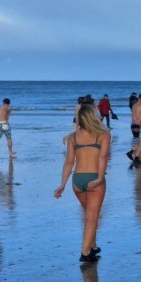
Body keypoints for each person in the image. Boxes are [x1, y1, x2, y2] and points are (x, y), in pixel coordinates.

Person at [54, 103, 111, 261]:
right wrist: (99, 178)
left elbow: (69, 162)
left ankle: (92, 246)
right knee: (92, 217)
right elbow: (102, 157)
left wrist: (62, 185)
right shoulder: (103, 134)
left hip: (77, 180)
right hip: (94, 178)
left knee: (89, 214)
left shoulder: (72, 137)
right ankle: (84, 254)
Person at [127, 93, 141, 167]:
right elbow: (138, 119)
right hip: (137, 126)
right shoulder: (138, 107)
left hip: (133, 125)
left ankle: (133, 153)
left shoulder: (135, 106)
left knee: (140, 141)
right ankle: (135, 156)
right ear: (139, 99)